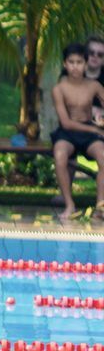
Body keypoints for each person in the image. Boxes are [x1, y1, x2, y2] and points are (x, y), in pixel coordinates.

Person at [49, 43, 104, 222]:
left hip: (89, 131)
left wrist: (100, 122)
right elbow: (65, 122)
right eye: (71, 62)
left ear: (86, 64)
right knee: (60, 155)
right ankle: (69, 205)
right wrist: (94, 129)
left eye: (79, 62)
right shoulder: (59, 89)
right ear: (65, 64)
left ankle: (100, 206)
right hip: (67, 133)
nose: (75, 66)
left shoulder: (94, 86)